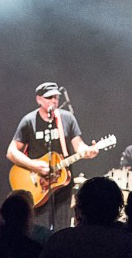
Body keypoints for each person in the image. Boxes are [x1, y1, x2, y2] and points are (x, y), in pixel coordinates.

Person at [7, 82, 99, 231]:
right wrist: (33, 165)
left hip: (62, 184)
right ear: (39, 99)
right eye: (49, 97)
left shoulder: (67, 119)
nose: (54, 101)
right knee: (39, 229)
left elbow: (79, 146)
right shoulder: (29, 121)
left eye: (56, 97)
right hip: (38, 186)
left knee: (61, 229)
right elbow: (11, 152)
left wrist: (89, 151)